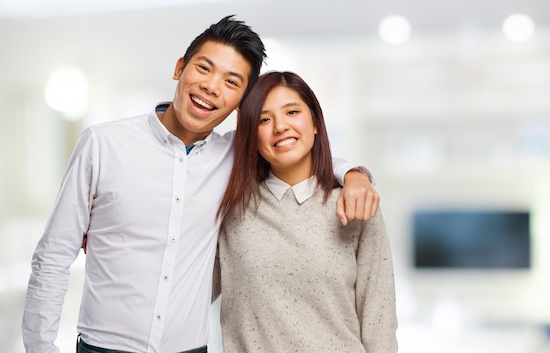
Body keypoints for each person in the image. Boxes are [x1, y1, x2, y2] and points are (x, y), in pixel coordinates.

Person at [22, 16, 380, 353]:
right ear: (180, 68)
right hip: (103, 347)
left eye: (231, 82)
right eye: (204, 68)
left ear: (241, 103)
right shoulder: (103, 144)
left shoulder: (235, 160)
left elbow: (292, 150)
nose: (211, 87)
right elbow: (52, 257)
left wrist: (355, 175)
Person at [213, 71, 398, 353]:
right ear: (251, 135)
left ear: (314, 123)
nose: (280, 126)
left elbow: (379, 322)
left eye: (292, 112)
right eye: (264, 119)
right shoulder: (231, 211)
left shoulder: (355, 203)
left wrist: (355, 176)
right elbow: (188, 293)